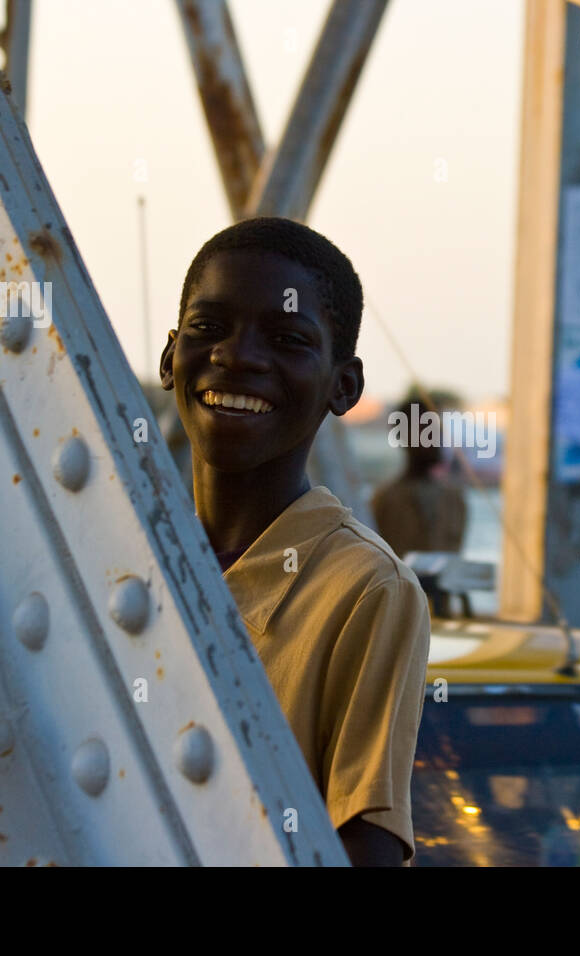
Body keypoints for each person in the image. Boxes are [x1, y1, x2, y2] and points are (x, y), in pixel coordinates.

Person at [159, 217, 431, 866]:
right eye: (208, 328)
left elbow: (365, 844)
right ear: (170, 357)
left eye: (286, 339)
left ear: (345, 385)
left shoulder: (366, 590)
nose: (238, 356)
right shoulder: (119, 556)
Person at [370, 390, 468, 613]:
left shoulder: (455, 499)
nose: (437, 437)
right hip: (397, 617)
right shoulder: (385, 500)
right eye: (427, 429)